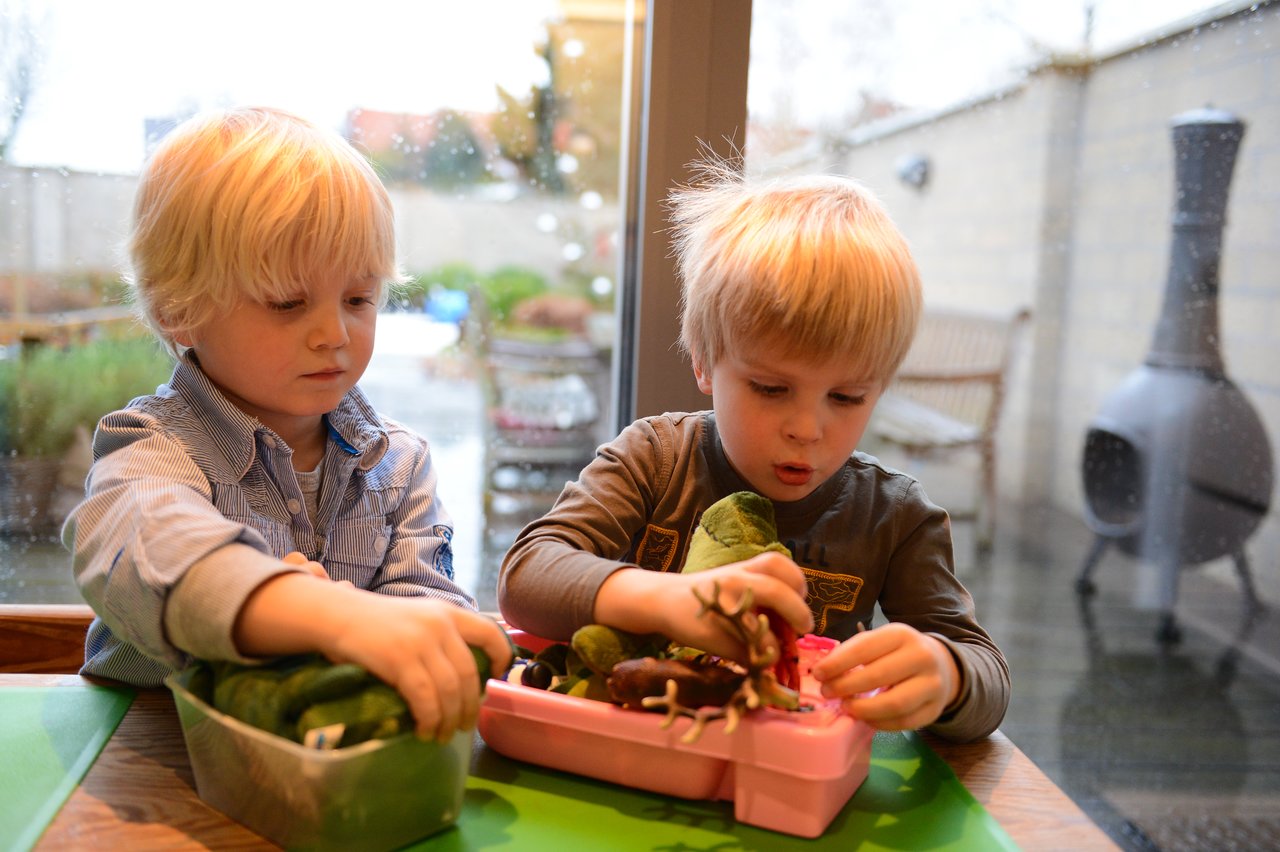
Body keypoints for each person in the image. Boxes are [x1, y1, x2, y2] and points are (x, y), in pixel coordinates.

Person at [498, 158, 1009, 741]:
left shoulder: (895, 518)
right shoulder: (654, 461)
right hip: (641, 754)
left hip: (790, 781)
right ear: (703, 362)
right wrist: (669, 600)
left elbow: (986, 672)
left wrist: (948, 676)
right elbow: (526, 575)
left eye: (846, 396)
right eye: (770, 388)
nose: (807, 428)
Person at [62, 106, 511, 743]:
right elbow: (150, 547)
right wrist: (316, 611)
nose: (334, 334)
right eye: (287, 303)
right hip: (152, 756)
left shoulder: (399, 462)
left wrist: (446, 641)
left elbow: (421, 600)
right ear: (179, 311)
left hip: (329, 766)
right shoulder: (152, 449)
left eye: (359, 299)